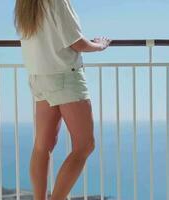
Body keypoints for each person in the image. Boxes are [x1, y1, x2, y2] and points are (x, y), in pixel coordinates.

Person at [14, 0, 111, 199]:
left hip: (39, 77)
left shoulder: (24, 4)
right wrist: (99, 45)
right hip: (64, 76)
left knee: (43, 145)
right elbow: (77, 42)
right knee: (85, 145)